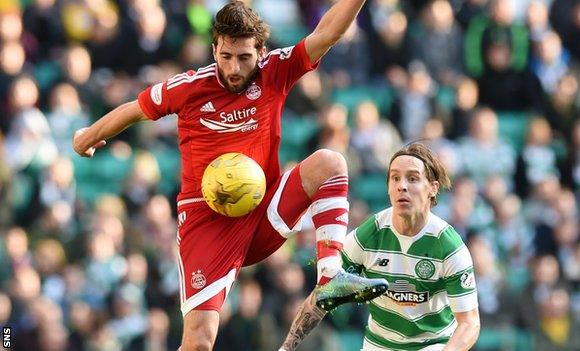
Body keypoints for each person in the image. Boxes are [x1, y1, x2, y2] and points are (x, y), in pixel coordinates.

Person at [72, 1, 388, 350]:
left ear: (260, 52)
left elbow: (328, 32)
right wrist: (88, 136)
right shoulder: (190, 86)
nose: (234, 68)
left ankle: (330, 275)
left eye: (244, 57)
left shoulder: (276, 70)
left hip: (261, 212)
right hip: (208, 224)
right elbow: (136, 109)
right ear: (214, 49)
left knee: (330, 163)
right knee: (199, 343)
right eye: (225, 56)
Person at [280, 142, 481, 351]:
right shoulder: (368, 236)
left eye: (412, 178)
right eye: (395, 178)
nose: (402, 186)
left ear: (433, 188)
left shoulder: (448, 245)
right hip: (378, 345)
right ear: (388, 188)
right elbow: (324, 292)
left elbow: (469, 323)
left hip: (431, 345)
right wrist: (286, 348)